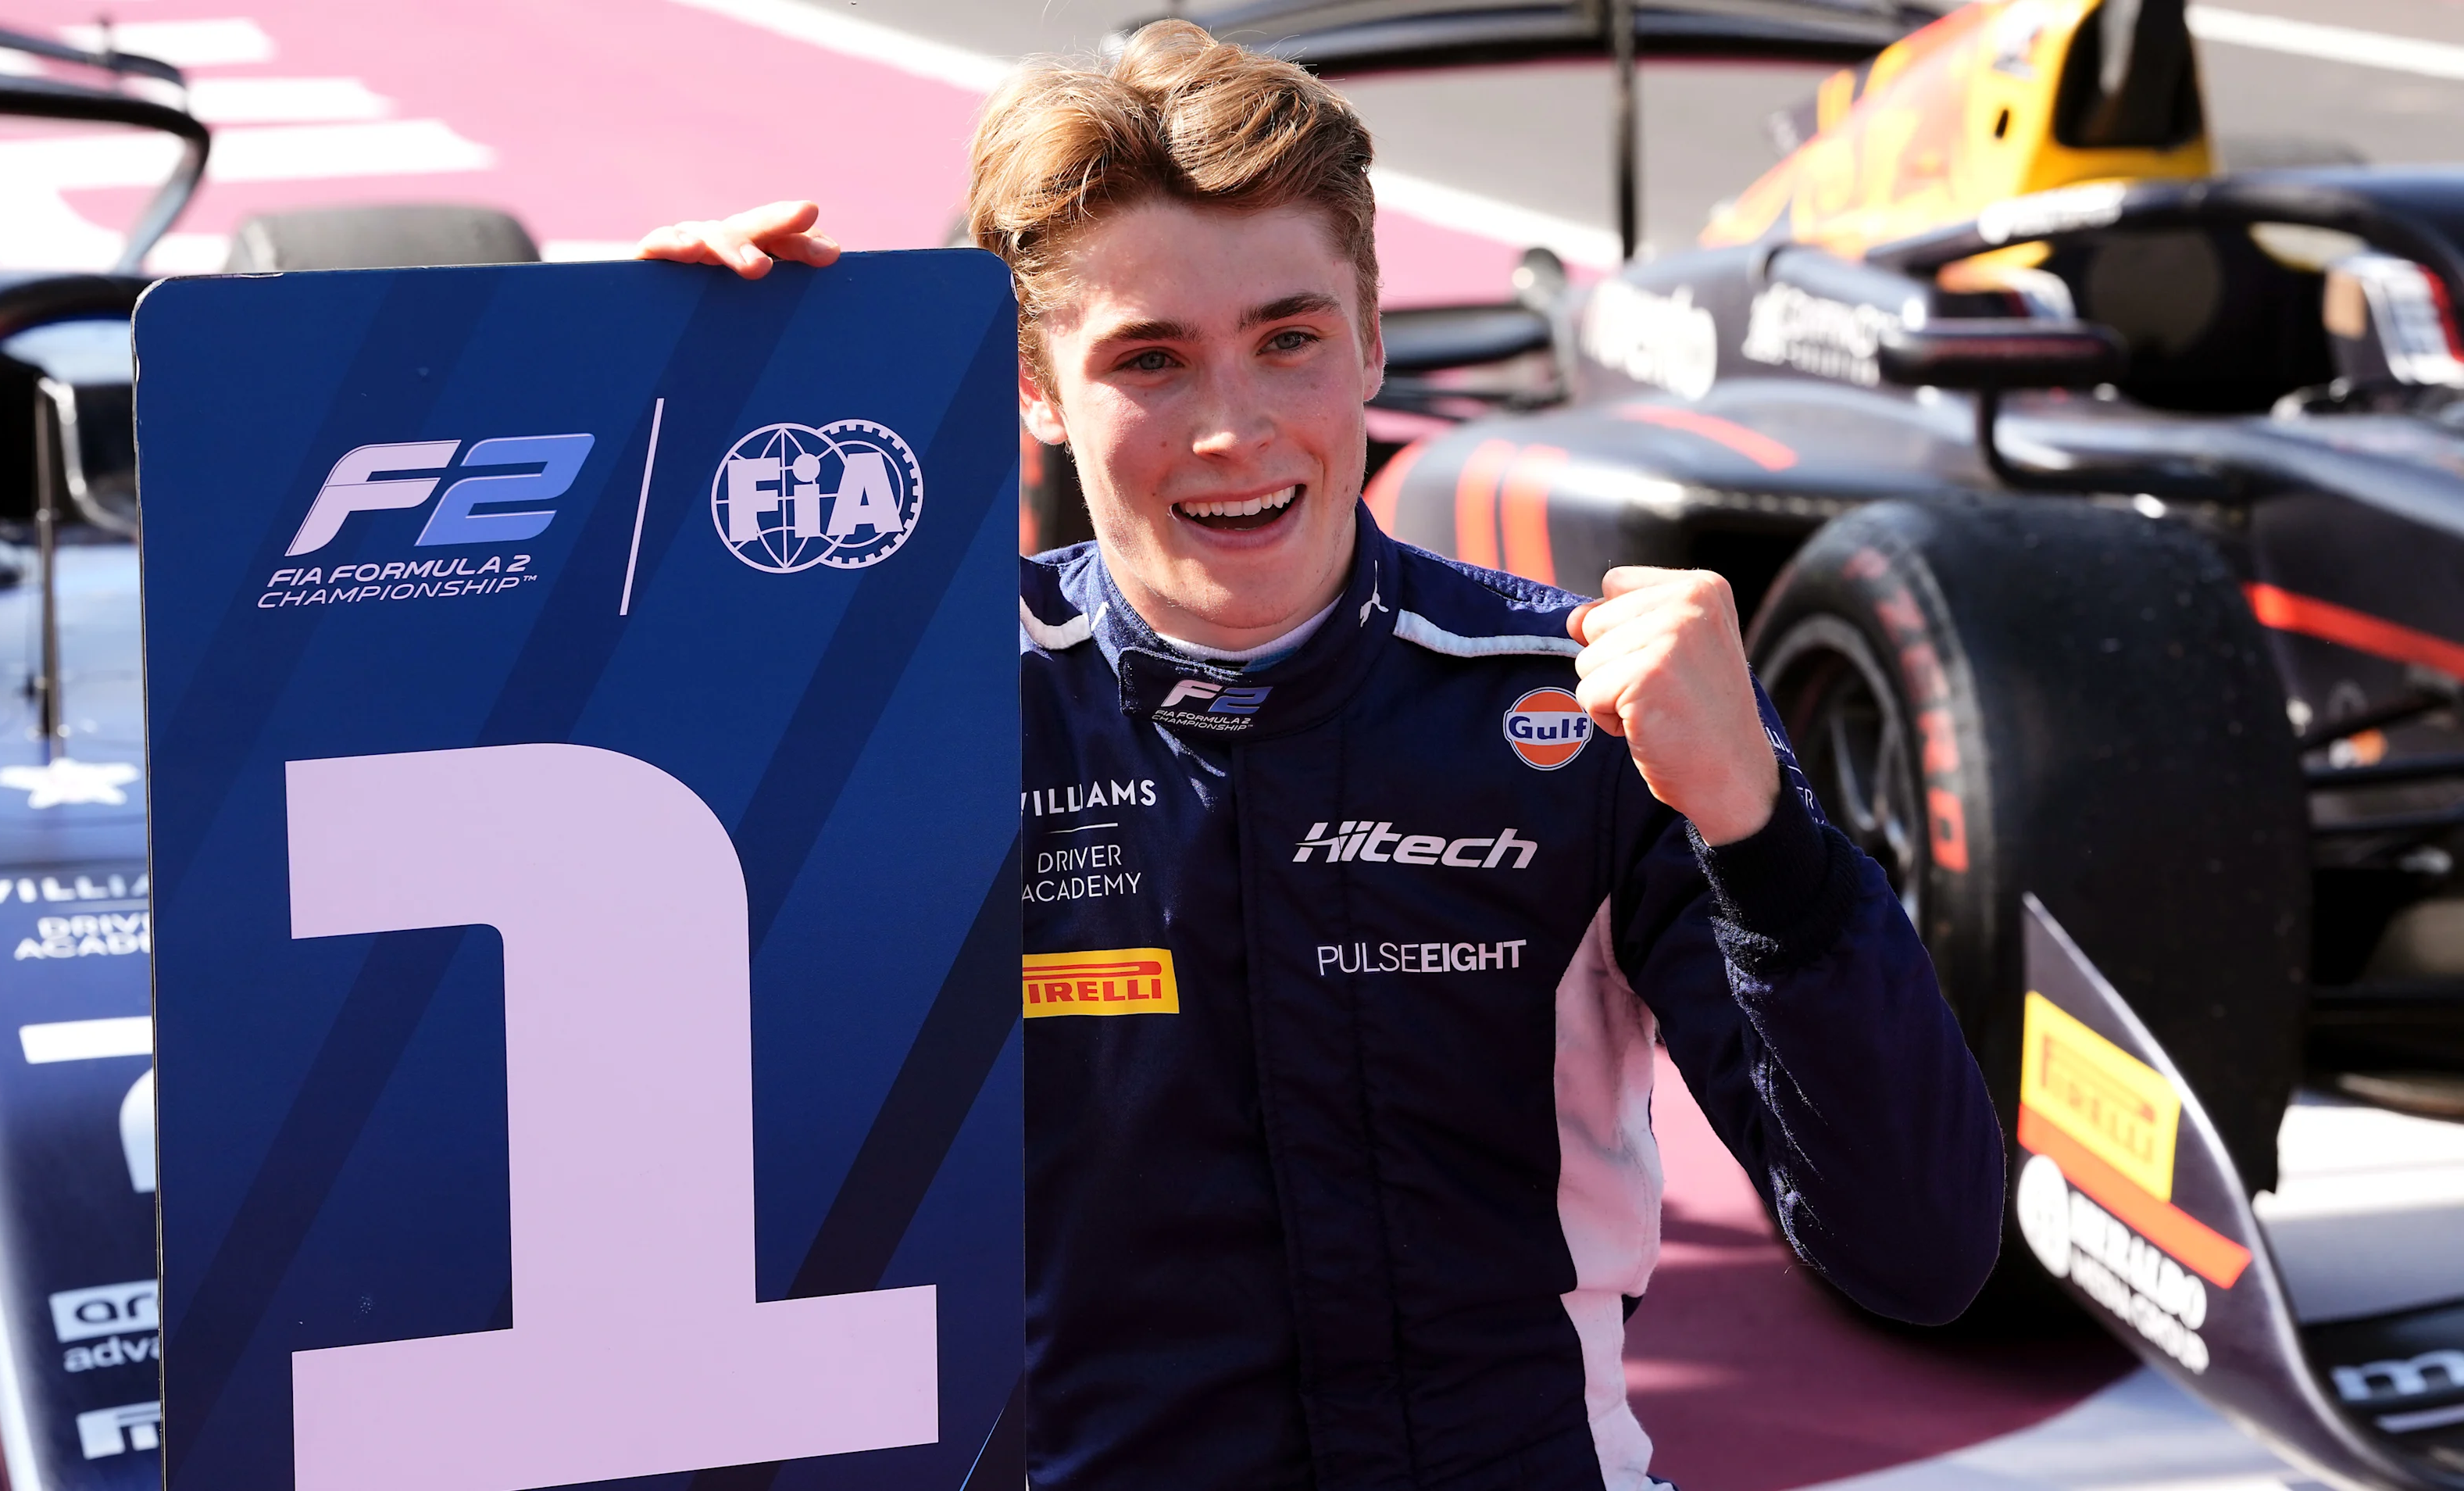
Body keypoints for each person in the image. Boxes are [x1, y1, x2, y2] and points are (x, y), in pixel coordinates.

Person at [641, 20, 2004, 1490]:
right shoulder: (926, 707)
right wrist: (658, 402)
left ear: (1370, 333)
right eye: (1150, 360)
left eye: (1287, 338)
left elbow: (1917, 1253)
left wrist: (1764, 840)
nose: (1235, 428)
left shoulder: (1587, 713)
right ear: (1036, 388)